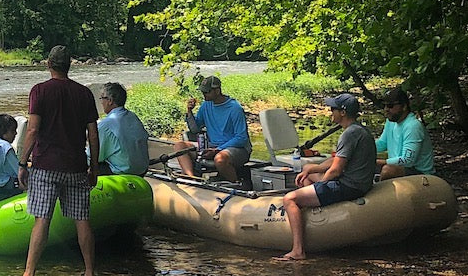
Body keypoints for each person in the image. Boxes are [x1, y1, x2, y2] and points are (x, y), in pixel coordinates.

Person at [17, 46, 101, 276]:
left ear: (48, 64)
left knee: (42, 219)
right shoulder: (84, 94)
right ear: (69, 65)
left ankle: (29, 273)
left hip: (45, 166)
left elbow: (32, 130)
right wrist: (93, 167)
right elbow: (93, 135)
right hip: (75, 166)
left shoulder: (40, 91)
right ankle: (89, 271)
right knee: (82, 220)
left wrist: (23, 162)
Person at [275, 93, 377, 261]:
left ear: (342, 112)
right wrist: (312, 169)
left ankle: (297, 250)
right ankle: (314, 219)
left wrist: (321, 185)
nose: (330, 111)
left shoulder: (349, 134)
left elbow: (336, 170)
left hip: (350, 186)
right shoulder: (359, 130)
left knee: (289, 199)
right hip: (358, 182)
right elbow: (337, 158)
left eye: (333, 109)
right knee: (309, 175)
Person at [173, 75, 251, 182]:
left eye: (207, 92)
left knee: (220, 159)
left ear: (217, 91)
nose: (204, 95)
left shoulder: (235, 108)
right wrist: (189, 112)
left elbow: (241, 138)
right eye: (203, 92)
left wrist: (218, 150)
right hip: (212, 146)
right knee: (179, 146)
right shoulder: (206, 106)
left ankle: (236, 184)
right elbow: (195, 129)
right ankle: (191, 178)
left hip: (237, 148)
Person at [375, 87, 435, 179]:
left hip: (419, 174)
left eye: (390, 106)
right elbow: (382, 143)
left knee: (388, 170)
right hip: (400, 167)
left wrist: (379, 162)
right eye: (385, 105)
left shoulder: (413, 126)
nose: (386, 109)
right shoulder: (390, 121)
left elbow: (407, 160)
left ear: (404, 106)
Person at [96, 82, 150, 176]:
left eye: (102, 98)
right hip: (142, 171)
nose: (101, 102)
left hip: (122, 173)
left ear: (110, 101)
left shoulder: (106, 124)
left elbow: (95, 156)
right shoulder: (133, 117)